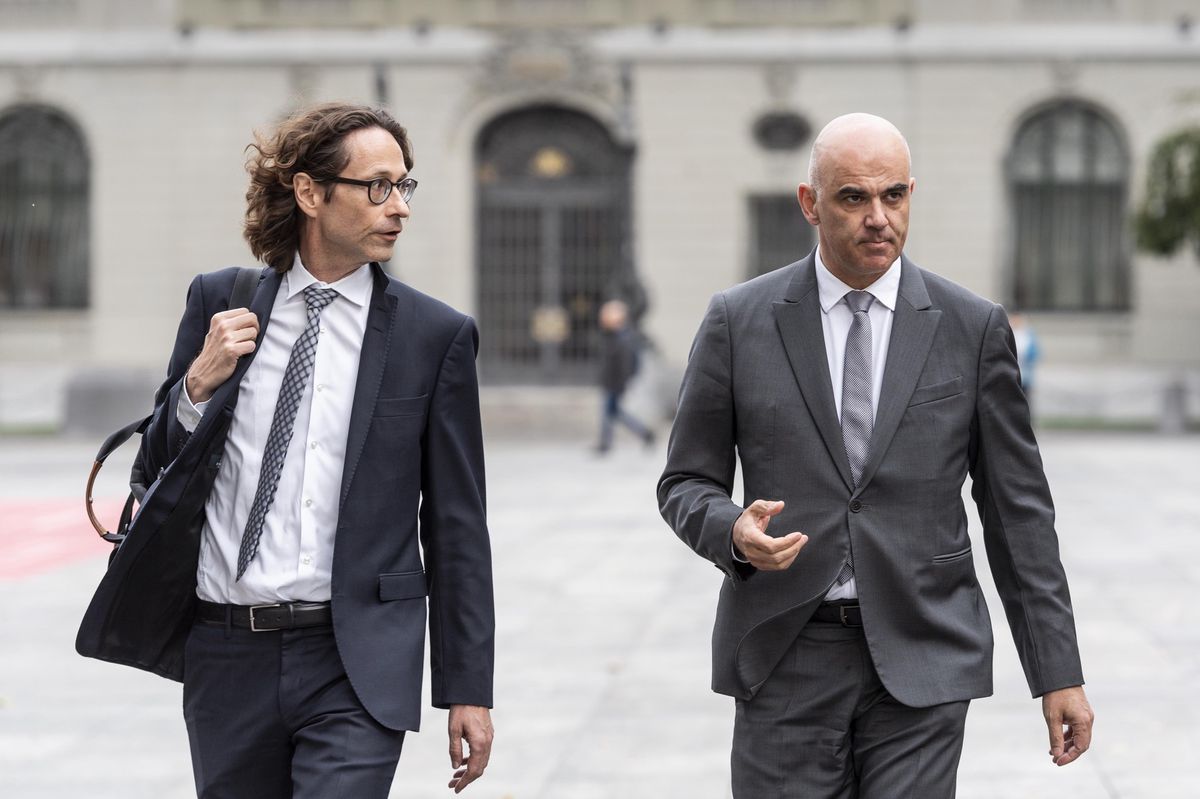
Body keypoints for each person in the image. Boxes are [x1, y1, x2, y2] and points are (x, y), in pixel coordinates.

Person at [657, 113, 1092, 798]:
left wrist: (1057, 669)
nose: (878, 218)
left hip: (925, 650)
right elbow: (685, 481)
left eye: (894, 196)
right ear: (811, 203)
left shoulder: (971, 328)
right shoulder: (738, 321)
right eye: (853, 198)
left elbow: (1018, 514)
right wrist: (733, 531)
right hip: (786, 650)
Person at [77, 103, 495, 798]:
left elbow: (456, 524)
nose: (399, 207)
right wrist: (194, 388)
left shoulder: (434, 336)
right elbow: (155, 466)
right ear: (309, 192)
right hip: (226, 650)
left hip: (354, 657)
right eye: (377, 186)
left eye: (404, 186)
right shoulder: (221, 301)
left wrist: (468, 687)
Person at [595, 298, 655, 454]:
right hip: (612, 382)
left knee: (609, 412)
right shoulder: (614, 336)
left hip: (615, 383)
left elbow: (625, 364)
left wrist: (623, 383)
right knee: (614, 412)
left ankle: (606, 444)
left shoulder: (623, 338)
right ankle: (645, 434)